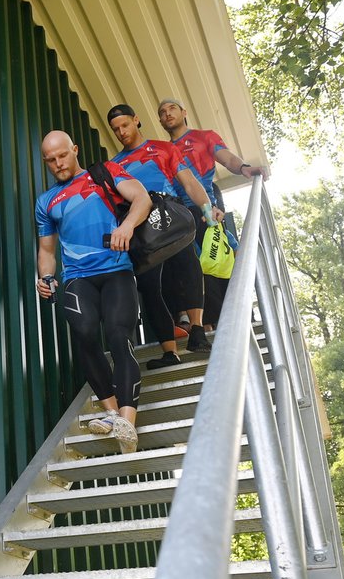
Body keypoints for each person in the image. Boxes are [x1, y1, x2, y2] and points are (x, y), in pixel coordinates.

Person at [35, 130, 152, 453]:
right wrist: (46, 277)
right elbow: (46, 250)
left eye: (62, 155)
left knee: (117, 335)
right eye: (51, 160)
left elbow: (142, 198)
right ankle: (112, 413)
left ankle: (127, 420)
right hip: (77, 277)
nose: (58, 164)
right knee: (84, 333)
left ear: (74, 150)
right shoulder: (46, 202)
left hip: (117, 270)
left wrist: (126, 226)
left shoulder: (104, 173)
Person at [106, 104, 217, 365]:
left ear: (136, 120)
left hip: (169, 214)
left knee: (188, 264)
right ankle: (170, 352)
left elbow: (190, 182)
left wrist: (207, 211)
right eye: (115, 129)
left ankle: (198, 331)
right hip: (141, 226)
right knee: (148, 286)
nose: (121, 132)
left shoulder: (164, 148)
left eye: (125, 125)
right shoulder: (114, 164)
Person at [157, 97, 268, 328]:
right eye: (162, 112)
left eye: (172, 109)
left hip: (208, 209)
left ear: (184, 112)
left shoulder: (204, 136)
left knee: (221, 260)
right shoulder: (163, 150)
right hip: (178, 215)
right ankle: (202, 323)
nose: (167, 114)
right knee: (191, 268)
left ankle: (239, 318)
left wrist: (245, 168)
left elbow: (227, 158)